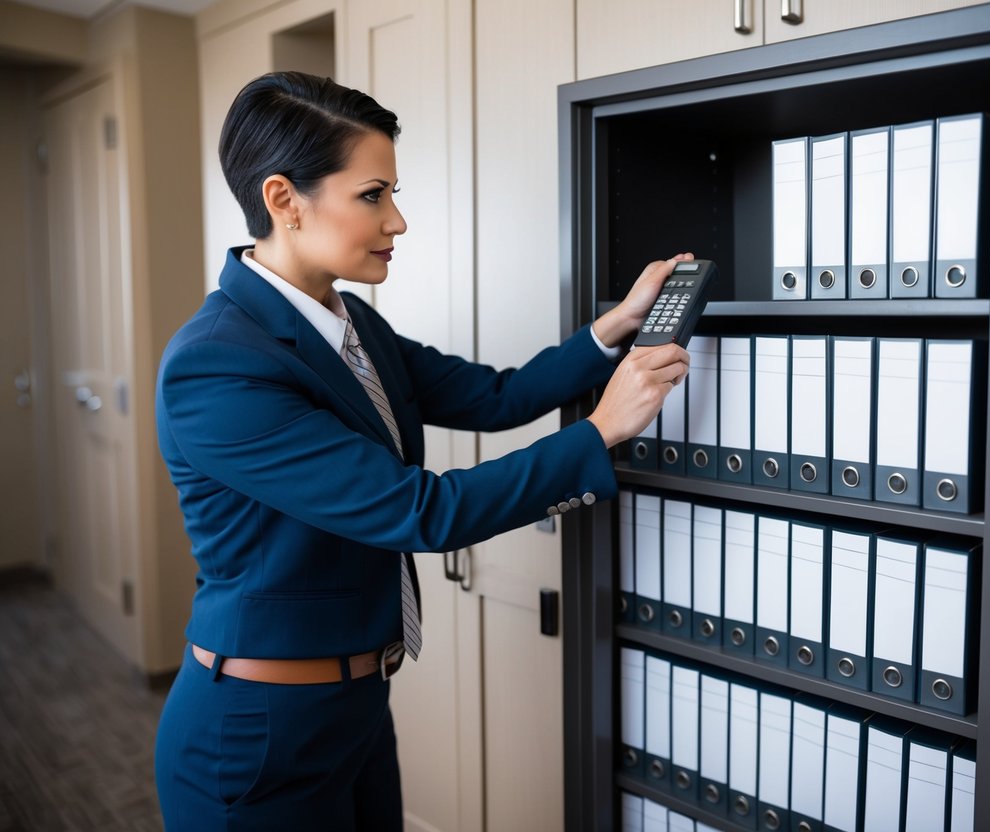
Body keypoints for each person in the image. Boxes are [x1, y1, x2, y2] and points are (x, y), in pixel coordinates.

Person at [153, 70, 690, 831]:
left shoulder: (349, 324)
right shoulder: (218, 363)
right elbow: (419, 511)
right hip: (259, 728)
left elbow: (494, 397)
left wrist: (615, 328)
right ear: (283, 199)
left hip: (358, 703)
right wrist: (600, 430)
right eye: (373, 195)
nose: (397, 221)